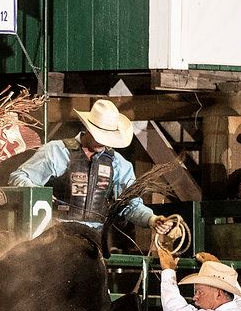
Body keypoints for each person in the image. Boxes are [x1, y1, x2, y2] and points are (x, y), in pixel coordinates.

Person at [9, 99, 172, 238]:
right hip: (55, 231)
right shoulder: (57, 152)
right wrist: (38, 193)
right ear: (87, 129)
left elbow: (130, 205)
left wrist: (151, 219)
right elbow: (19, 177)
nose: (103, 142)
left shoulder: (119, 164)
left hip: (94, 237)